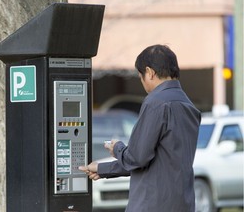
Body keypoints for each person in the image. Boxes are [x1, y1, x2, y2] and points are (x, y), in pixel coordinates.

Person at [79, 44, 201, 212]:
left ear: (150, 72)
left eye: (141, 76)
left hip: (152, 204)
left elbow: (137, 158)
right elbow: (153, 161)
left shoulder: (155, 102)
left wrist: (118, 148)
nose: (143, 82)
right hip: (183, 204)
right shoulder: (189, 107)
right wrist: (102, 169)